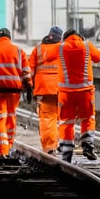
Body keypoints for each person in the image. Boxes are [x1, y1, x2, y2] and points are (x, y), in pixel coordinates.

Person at [0, 28, 32, 157]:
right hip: (14, 90)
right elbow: (25, 71)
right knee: (10, 116)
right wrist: (29, 87)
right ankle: (9, 145)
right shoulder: (19, 50)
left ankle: (2, 149)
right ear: (9, 37)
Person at [57, 29, 100, 162]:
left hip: (66, 94)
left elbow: (46, 58)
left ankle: (66, 152)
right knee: (87, 118)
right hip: (85, 92)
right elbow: (98, 57)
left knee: (66, 122)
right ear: (79, 37)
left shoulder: (60, 48)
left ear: (65, 38)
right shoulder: (87, 46)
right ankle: (88, 145)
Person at [29, 26, 63, 155]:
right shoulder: (63, 48)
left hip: (44, 89)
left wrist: (29, 88)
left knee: (48, 118)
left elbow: (30, 70)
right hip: (62, 88)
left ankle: (50, 147)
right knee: (63, 118)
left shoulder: (37, 49)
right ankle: (63, 144)